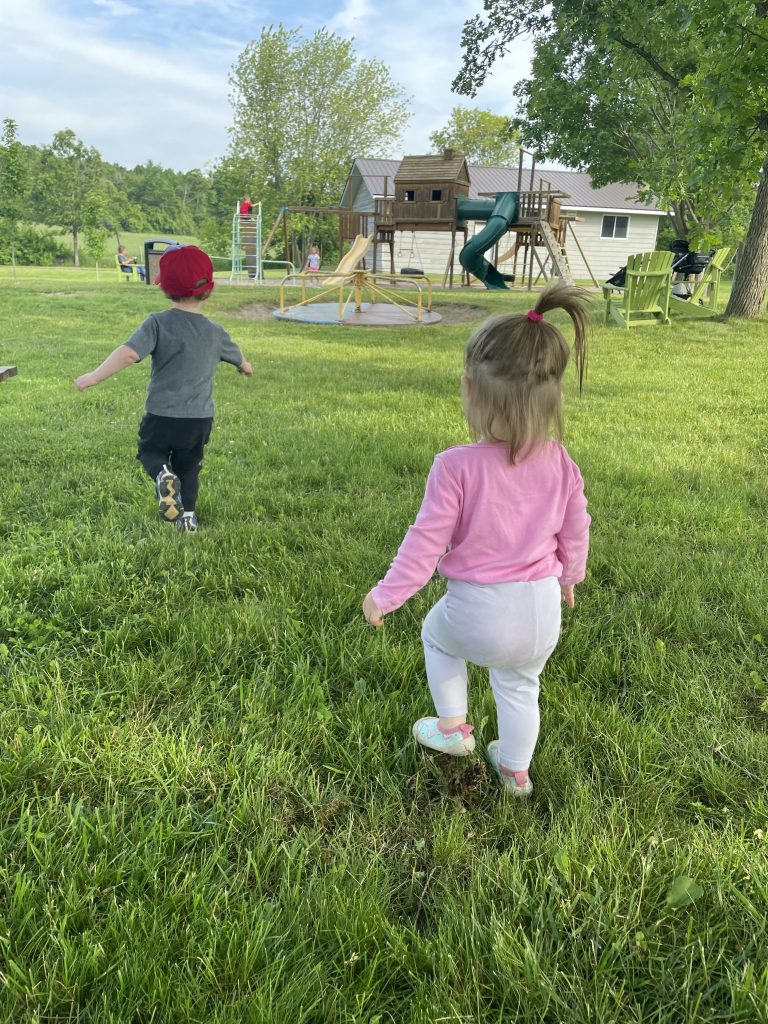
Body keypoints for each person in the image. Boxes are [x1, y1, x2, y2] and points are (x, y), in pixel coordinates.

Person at [362, 284, 591, 797]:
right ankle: (514, 771)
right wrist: (571, 577)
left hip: (478, 612)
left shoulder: (455, 467)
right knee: (519, 686)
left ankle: (451, 730)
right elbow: (577, 529)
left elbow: (425, 543)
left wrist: (387, 594)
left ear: (470, 389)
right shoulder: (561, 461)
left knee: (437, 636)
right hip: (542, 611)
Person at [75, 245, 253, 532]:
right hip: (199, 419)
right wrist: (245, 366)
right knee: (190, 467)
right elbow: (240, 360)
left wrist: (94, 376)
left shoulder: (157, 323)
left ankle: (162, 474)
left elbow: (130, 353)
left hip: (162, 415)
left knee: (150, 453)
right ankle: (188, 518)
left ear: (164, 288)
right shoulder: (216, 332)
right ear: (210, 289)